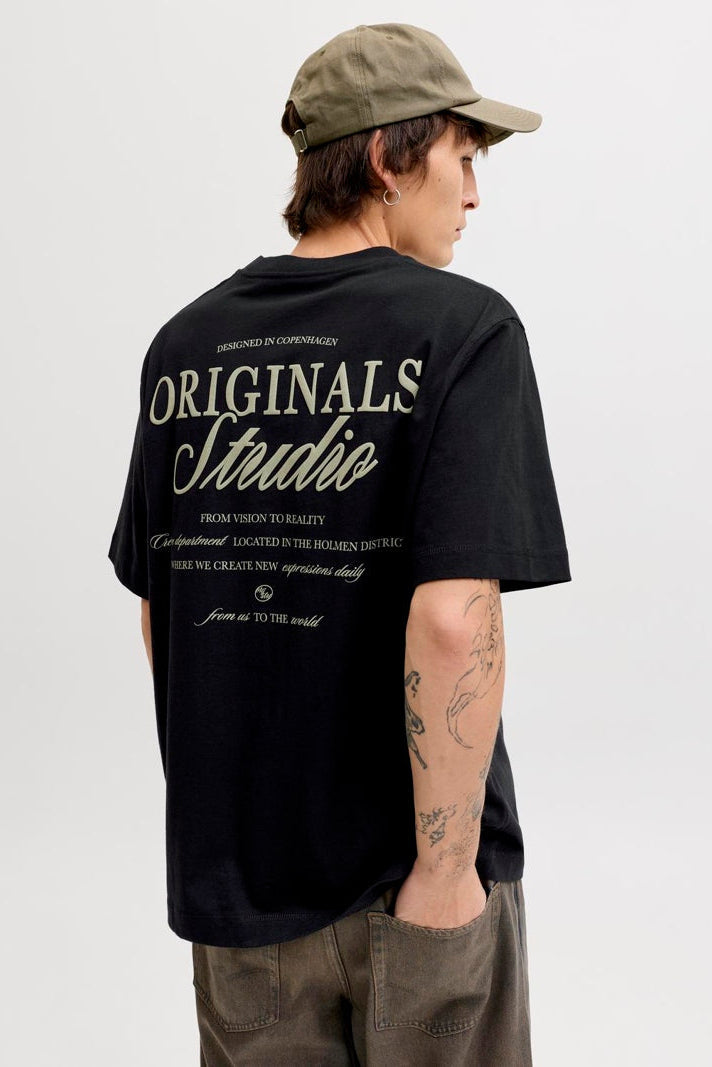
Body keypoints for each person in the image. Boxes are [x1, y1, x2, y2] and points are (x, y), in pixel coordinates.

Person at [108, 21, 571, 1067]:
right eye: (462, 156)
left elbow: (162, 607)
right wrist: (444, 874)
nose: (473, 193)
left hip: (241, 890)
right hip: (412, 886)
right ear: (384, 157)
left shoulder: (184, 347)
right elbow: (452, 618)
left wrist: (231, 826)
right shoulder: (465, 331)